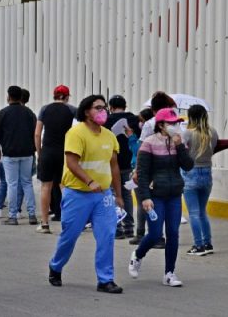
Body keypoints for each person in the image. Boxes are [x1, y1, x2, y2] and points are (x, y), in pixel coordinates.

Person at [47, 95, 124, 294]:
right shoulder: (76, 133)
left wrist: (119, 195)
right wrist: (89, 181)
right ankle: (55, 266)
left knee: (107, 235)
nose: (103, 111)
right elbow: (72, 163)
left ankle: (105, 279)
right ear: (86, 111)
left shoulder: (109, 136)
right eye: (97, 108)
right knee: (70, 236)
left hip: (103, 195)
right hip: (78, 194)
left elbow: (114, 166)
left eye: (104, 108)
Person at [129, 108, 194, 287]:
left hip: (174, 194)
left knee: (173, 233)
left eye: (177, 123)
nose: (175, 126)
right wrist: (145, 197)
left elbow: (188, 166)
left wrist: (179, 145)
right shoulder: (149, 143)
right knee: (156, 233)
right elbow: (142, 173)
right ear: (161, 125)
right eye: (171, 123)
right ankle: (138, 255)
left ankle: (169, 273)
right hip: (155, 195)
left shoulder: (178, 142)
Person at [130, 91, 177, 247]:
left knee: (148, 201)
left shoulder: (150, 123)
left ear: (153, 109)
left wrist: (137, 170)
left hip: (150, 168)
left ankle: (151, 235)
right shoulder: (175, 123)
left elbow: (141, 149)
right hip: (169, 169)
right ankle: (159, 235)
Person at [0, 86, 37, 225]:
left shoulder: (3, 114)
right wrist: (33, 149)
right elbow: (35, 133)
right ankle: (32, 215)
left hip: (10, 154)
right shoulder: (29, 113)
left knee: (12, 184)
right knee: (27, 183)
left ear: (9, 96)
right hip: (27, 153)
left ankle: (13, 216)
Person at [34, 85, 77, 233]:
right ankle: (69, 221)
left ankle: (45, 223)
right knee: (64, 186)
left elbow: (37, 134)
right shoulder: (72, 110)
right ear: (66, 97)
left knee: (46, 186)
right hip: (65, 152)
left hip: (47, 151)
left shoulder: (44, 109)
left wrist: (40, 152)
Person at [182, 105, 218, 256]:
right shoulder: (212, 132)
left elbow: (182, 153)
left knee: (194, 213)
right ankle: (207, 243)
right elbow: (214, 148)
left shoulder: (188, 133)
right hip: (207, 172)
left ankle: (198, 245)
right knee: (202, 211)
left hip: (191, 172)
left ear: (190, 116)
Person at [105, 95, 141, 239]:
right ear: (125, 106)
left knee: (113, 193)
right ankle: (129, 228)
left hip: (111, 162)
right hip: (128, 162)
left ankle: (117, 227)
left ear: (111, 107)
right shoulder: (134, 120)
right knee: (127, 194)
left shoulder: (106, 121)